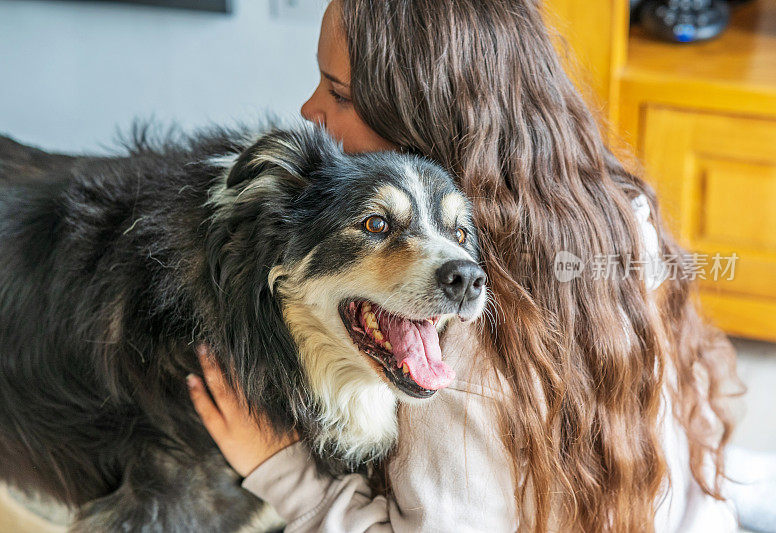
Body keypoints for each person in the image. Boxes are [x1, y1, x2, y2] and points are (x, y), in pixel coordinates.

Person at [186, 0, 743, 531]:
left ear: (421, 118)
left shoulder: (463, 324)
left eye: (340, 93)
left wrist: (283, 471)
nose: (311, 110)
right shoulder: (616, 210)